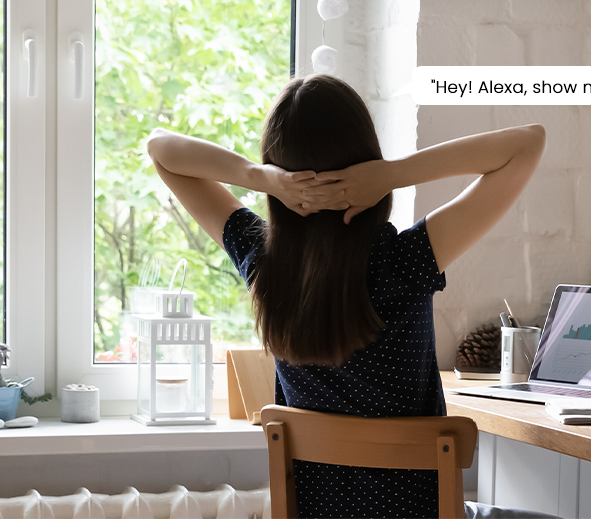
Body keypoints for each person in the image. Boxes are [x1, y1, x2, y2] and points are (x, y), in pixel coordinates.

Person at [147, 74, 551, 518]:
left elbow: (161, 149)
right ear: (366, 160)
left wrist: (259, 179)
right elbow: (527, 143)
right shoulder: (406, 261)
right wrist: (394, 173)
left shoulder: (264, 261)